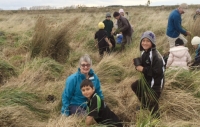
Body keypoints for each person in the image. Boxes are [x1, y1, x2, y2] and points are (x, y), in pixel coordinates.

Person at [131, 31, 165, 118]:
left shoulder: (156, 56)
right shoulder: (144, 52)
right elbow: (144, 63)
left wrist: (143, 69)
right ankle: (145, 104)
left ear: (152, 42)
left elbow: (158, 72)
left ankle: (156, 120)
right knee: (135, 86)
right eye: (143, 40)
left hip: (156, 83)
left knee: (153, 104)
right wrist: (137, 64)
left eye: (148, 41)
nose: (145, 43)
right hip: (147, 79)